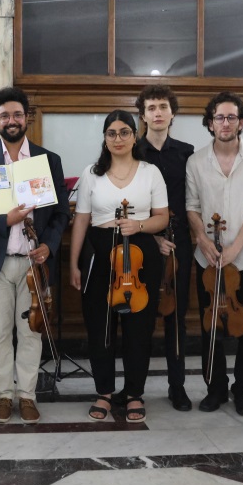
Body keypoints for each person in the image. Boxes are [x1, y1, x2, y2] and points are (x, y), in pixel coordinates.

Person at [0, 86, 69, 424]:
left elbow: (61, 213)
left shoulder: (46, 160)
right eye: (5, 115)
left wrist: (49, 244)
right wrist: (5, 220)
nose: (11, 120)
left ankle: (28, 395)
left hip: (34, 264)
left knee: (33, 331)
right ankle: (4, 394)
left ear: (26, 118)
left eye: (17, 114)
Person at [69, 110, 169, 423]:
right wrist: (73, 263)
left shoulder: (151, 171)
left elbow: (162, 217)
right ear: (104, 138)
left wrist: (138, 226)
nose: (118, 139)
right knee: (100, 327)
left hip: (139, 255)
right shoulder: (91, 173)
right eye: (111, 133)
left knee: (139, 328)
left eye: (124, 132)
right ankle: (104, 392)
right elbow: (82, 219)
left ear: (134, 135)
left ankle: (135, 393)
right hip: (99, 252)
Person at [186, 92, 243, 416]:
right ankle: (215, 387)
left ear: (242, 122)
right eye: (219, 117)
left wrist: (234, 249)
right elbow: (192, 207)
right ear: (210, 123)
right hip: (206, 258)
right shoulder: (195, 161)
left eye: (231, 117)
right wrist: (203, 241)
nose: (225, 123)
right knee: (211, 326)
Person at [135, 85, 194, 412]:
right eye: (151, 107)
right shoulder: (132, 151)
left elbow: (192, 200)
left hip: (180, 243)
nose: (157, 112)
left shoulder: (187, 153)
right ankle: (135, 389)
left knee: (177, 317)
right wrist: (153, 235)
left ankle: (177, 386)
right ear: (142, 115)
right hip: (144, 243)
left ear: (172, 113)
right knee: (141, 317)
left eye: (163, 107)